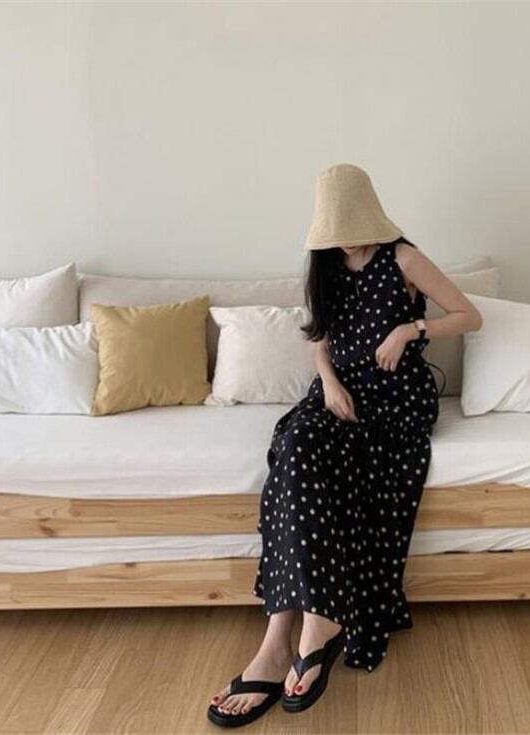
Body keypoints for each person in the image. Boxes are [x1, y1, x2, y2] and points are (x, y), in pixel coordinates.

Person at [207, 163, 483, 728]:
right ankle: (280, 639)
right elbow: (321, 342)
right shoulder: (327, 265)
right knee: (295, 455)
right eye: (336, 232)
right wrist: (329, 384)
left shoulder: (404, 258)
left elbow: (468, 316)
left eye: (352, 229)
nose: (346, 240)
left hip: (396, 401)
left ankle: (313, 627)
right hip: (338, 395)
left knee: (336, 469)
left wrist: (411, 329)